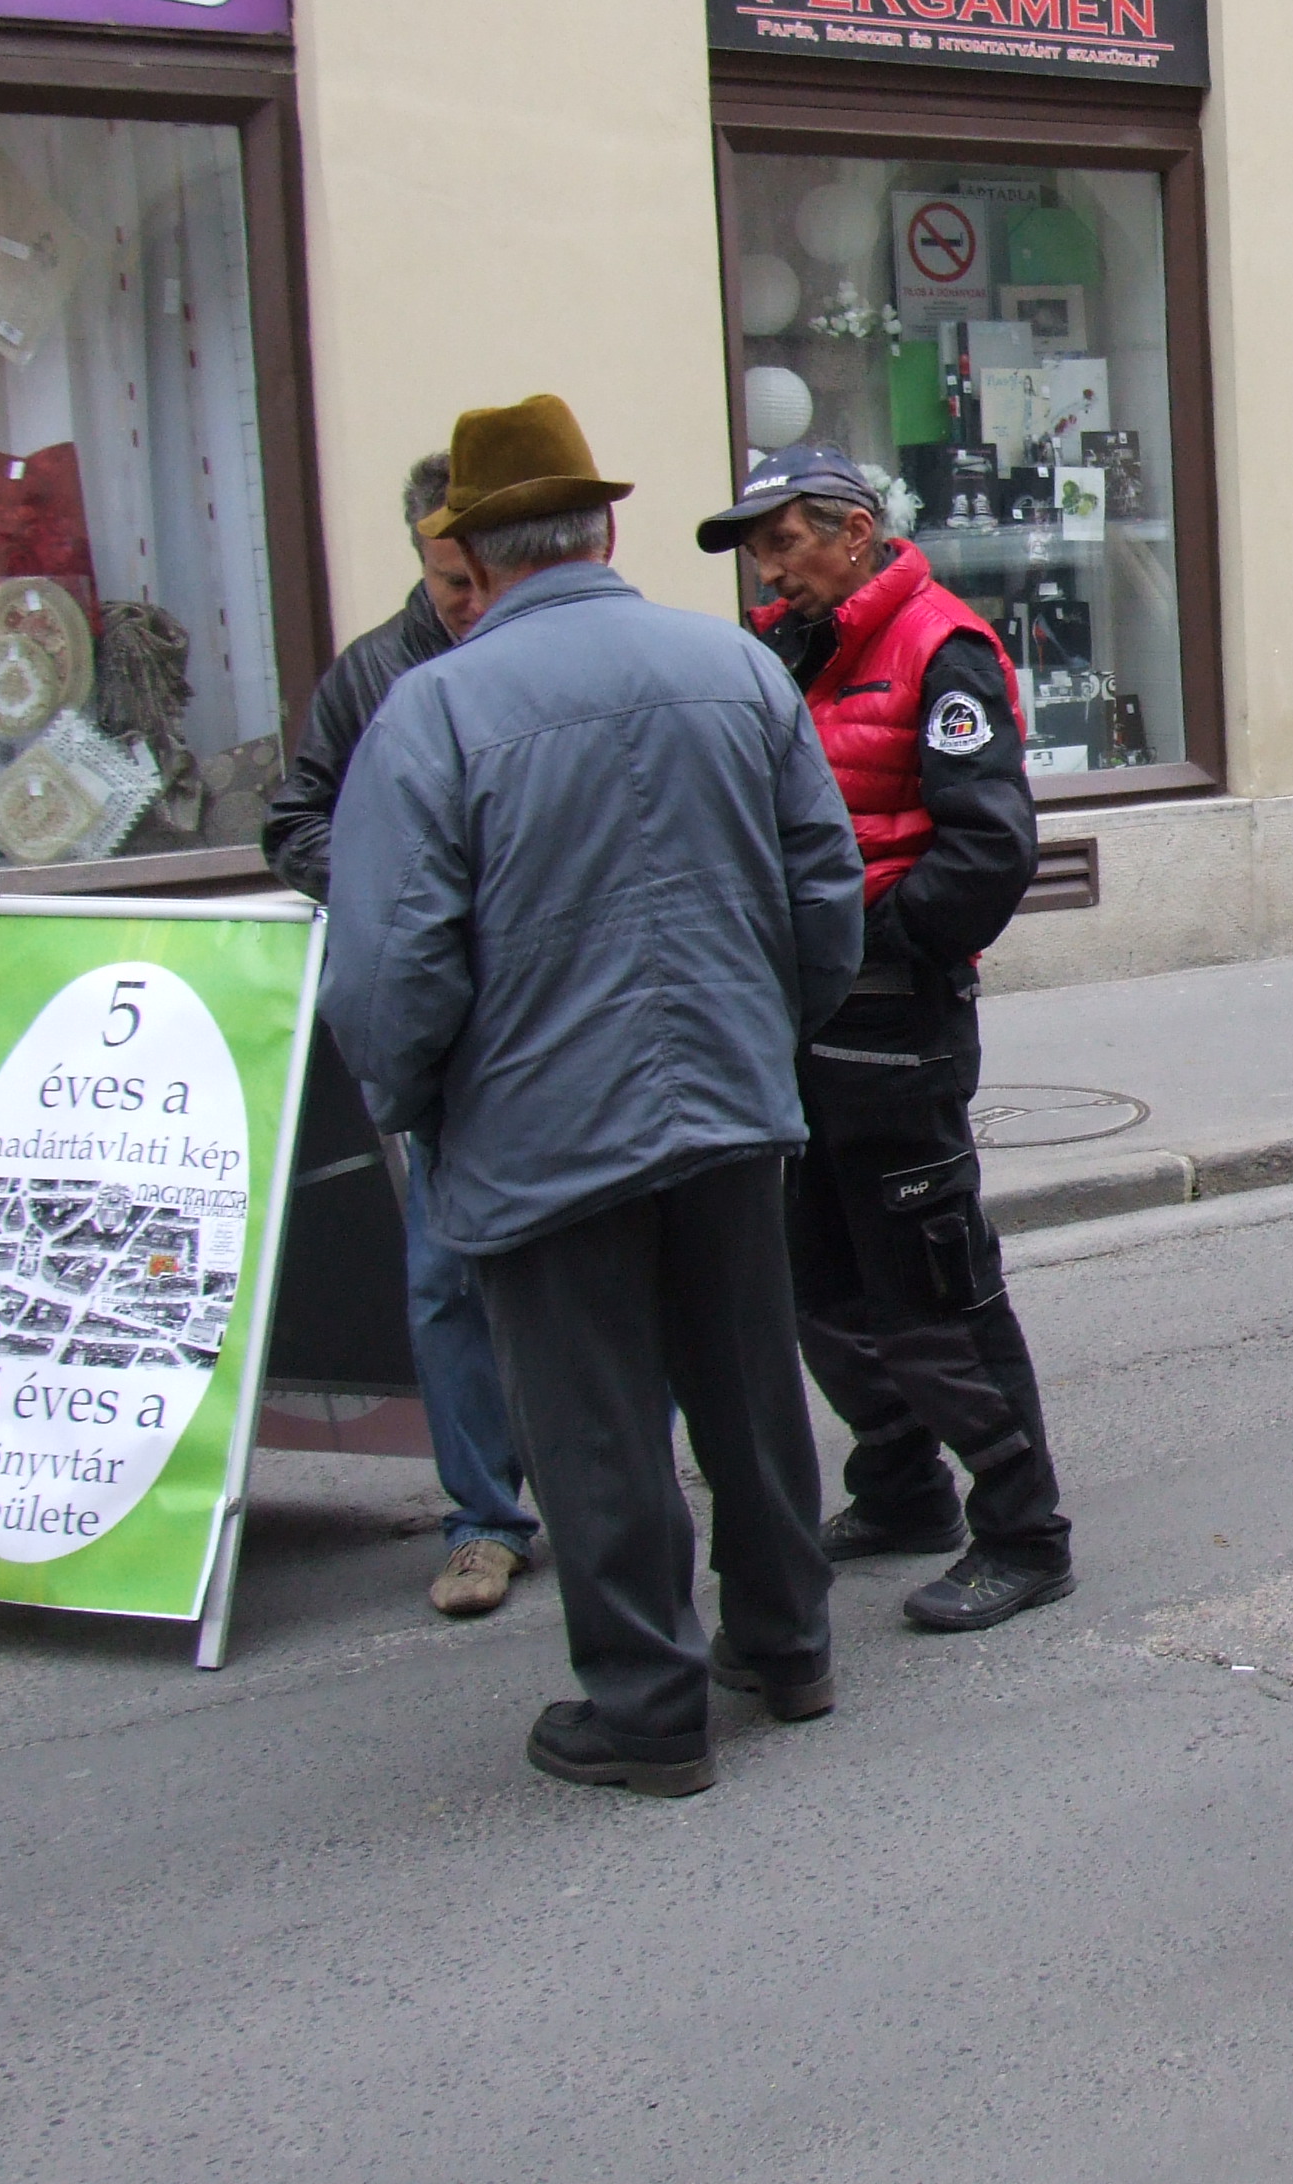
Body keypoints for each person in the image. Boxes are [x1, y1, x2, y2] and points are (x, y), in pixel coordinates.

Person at [326, 396, 862, 1797]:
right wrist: (767, 1034)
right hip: (728, 1098)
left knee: (595, 1422)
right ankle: (789, 1647)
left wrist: (418, 1102)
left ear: (474, 555)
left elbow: (390, 969)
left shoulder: (434, 710)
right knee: (747, 1388)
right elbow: (825, 896)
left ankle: (647, 1707)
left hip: (538, 1124)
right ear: (604, 533)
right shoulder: (733, 668)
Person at [696, 444, 1074, 1632]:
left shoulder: (940, 646)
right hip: (801, 1020)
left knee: (930, 1291)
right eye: (757, 552)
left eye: (782, 543)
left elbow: (989, 852)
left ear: (852, 533)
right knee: (821, 1286)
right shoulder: (782, 653)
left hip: (893, 1020)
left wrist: (873, 947)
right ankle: (904, 1486)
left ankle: (1023, 1530)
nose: (768, 571)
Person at [263, 453, 541, 1621]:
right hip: (444, 1030)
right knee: (444, 1277)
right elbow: (293, 822)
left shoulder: (544, 657)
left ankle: (602, 1487)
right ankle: (482, 1519)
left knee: (597, 1268)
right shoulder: (372, 673)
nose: (466, 602)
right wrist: (396, 880)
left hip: (552, 1016)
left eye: (479, 577)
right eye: (445, 581)